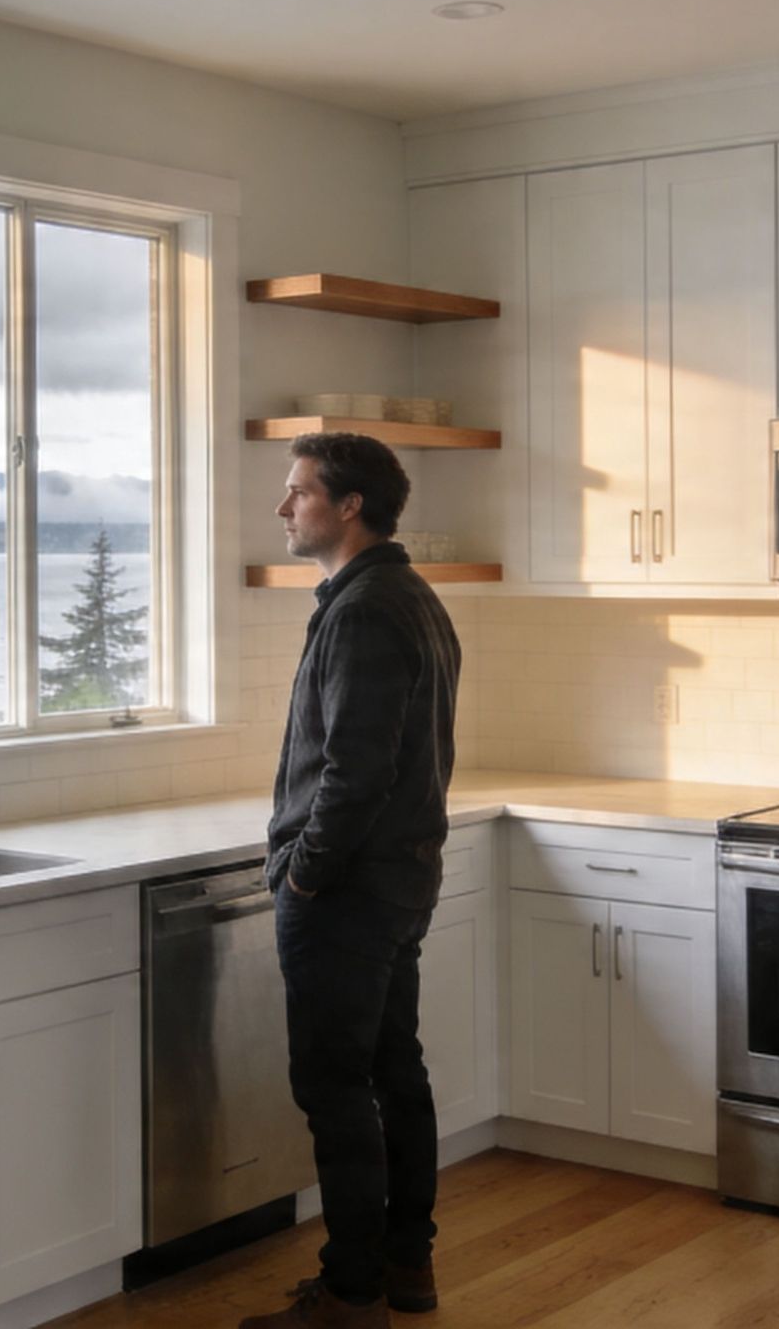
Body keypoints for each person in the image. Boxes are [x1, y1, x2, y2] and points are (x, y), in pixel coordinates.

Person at [243, 432, 462, 1329]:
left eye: (298, 493)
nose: (284, 508)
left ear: (349, 506)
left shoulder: (367, 609)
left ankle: (351, 1292)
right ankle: (407, 1269)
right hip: (398, 881)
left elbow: (354, 770)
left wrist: (305, 875)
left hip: (350, 892)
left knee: (338, 1093)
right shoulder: (403, 595)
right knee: (393, 1076)